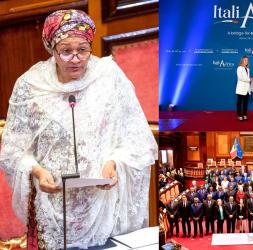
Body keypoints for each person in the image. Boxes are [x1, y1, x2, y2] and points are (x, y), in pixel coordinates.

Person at [0, 9, 158, 249]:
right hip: (52, 205)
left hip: (102, 203)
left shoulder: (110, 77)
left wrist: (114, 163)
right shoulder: (30, 86)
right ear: (51, 49)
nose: (75, 58)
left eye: (82, 50)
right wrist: (37, 172)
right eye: (66, 51)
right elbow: (12, 150)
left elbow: (137, 139)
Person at [235, 56, 251, 121]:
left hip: (247, 89)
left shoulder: (248, 69)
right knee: (239, 103)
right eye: (245, 60)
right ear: (242, 61)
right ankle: (239, 115)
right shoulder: (239, 68)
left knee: (245, 103)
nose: (246, 61)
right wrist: (249, 79)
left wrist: (249, 88)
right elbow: (240, 78)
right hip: (241, 88)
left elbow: (247, 79)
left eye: (247, 60)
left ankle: (244, 114)